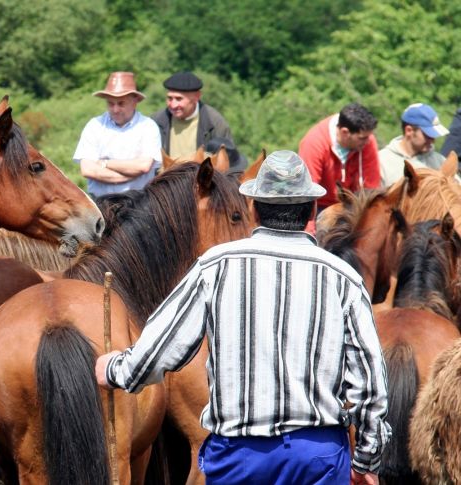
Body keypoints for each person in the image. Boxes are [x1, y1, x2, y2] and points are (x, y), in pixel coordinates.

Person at [95, 150, 391, 485]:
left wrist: (114, 369)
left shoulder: (216, 265)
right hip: (317, 457)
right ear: (310, 210)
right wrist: (367, 460)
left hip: (239, 456)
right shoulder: (342, 277)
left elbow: (160, 350)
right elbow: (371, 386)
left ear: (252, 207)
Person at [73, 71, 162, 198]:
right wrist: (130, 174)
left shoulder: (148, 126)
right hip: (101, 202)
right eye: (110, 103)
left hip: (138, 204)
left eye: (121, 103)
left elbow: (143, 166)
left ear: (135, 102)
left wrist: (104, 163)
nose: (115, 109)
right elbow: (87, 170)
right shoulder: (95, 125)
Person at [298, 102, 380, 212]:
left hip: (353, 206)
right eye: (362, 138)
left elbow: (371, 187)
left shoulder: (367, 140)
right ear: (345, 132)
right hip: (319, 206)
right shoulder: (313, 144)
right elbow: (307, 194)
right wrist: (309, 228)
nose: (367, 141)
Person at [152, 71, 234, 160]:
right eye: (169, 98)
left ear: (197, 97)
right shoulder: (155, 121)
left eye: (179, 99)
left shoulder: (215, 123)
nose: (173, 105)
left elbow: (228, 161)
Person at [379, 103, 450, 187]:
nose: (432, 140)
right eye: (427, 135)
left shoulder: (440, 161)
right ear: (409, 131)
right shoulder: (381, 162)